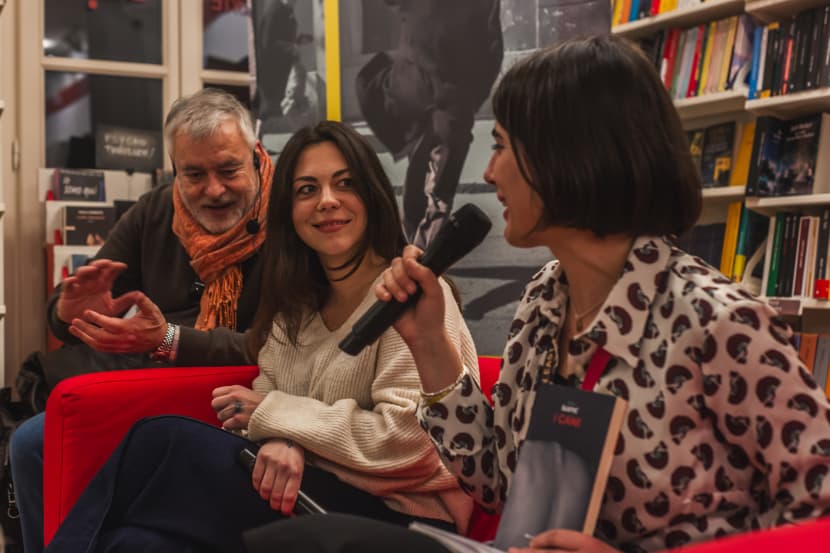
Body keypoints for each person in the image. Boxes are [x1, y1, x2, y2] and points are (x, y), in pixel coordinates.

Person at [248, 35, 830, 552]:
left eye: (502, 146)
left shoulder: (718, 323)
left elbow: (819, 513)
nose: (490, 172)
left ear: (568, 155)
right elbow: (492, 481)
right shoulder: (544, 301)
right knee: (298, 540)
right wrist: (427, 343)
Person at [42, 120, 479, 553]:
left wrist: (281, 422)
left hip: (399, 517)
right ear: (288, 211)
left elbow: (410, 444)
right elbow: (266, 404)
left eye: (345, 184)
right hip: (307, 490)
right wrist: (282, 437)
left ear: (373, 195)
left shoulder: (411, 297)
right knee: (134, 543)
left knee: (162, 439)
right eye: (307, 190)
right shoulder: (295, 308)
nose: (327, 201)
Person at [10, 87, 272, 553]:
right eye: (194, 174)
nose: (213, 190)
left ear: (255, 156)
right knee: (32, 444)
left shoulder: (293, 217)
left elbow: (279, 347)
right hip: (158, 388)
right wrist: (69, 310)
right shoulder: (155, 209)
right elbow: (68, 311)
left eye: (229, 170)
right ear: (175, 169)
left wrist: (170, 339)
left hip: (255, 392)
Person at [356, 0, 503, 248]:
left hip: (424, 95)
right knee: (435, 186)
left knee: (430, 179)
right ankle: (417, 251)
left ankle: (417, 253)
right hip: (440, 99)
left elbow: (491, 51)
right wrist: (471, 97)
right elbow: (492, 51)